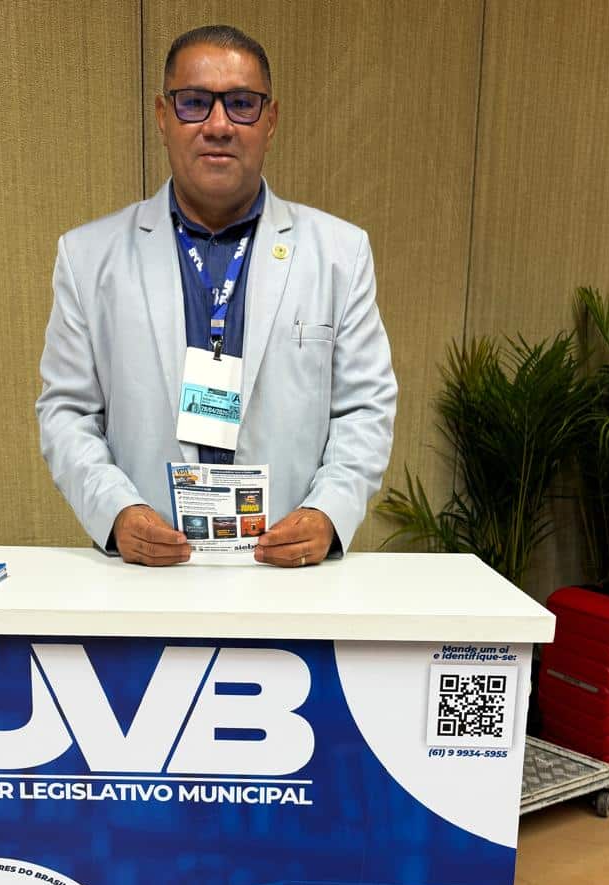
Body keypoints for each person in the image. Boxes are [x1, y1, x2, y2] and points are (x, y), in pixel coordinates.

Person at [37, 25, 397, 568]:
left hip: (285, 571)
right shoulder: (88, 257)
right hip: (149, 573)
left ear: (271, 120)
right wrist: (116, 511)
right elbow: (67, 411)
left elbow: (365, 407)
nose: (219, 125)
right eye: (194, 103)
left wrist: (328, 512)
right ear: (163, 117)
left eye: (242, 104)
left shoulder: (340, 255)